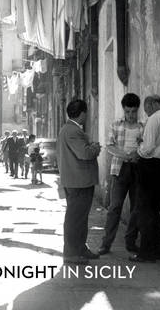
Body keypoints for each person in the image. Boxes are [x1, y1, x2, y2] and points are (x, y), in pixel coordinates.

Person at [129, 95, 160, 262]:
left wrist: (138, 150)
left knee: (144, 211)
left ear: (151, 104)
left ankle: (146, 253)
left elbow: (148, 147)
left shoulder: (154, 119)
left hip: (150, 168)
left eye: (146, 108)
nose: (146, 112)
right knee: (153, 211)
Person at [98, 93, 144, 256]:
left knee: (136, 208)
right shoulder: (116, 125)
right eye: (128, 112)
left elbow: (147, 147)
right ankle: (106, 244)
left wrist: (136, 155)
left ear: (137, 110)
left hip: (138, 170)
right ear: (123, 111)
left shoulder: (143, 127)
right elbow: (109, 146)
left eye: (133, 111)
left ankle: (130, 242)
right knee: (114, 207)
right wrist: (127, 155)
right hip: (120, 169)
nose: (131, 115)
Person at [57, 99, 101, 264]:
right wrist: (95, 148)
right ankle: (71, 252)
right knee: (75, 218)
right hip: (79, 181)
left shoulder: (69, 129)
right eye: (86, 112)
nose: (87, 116)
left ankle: (80, 248)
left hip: (77, 181)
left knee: (80, 218)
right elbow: (84, 154)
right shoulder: (73, 131)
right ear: (82, 113)